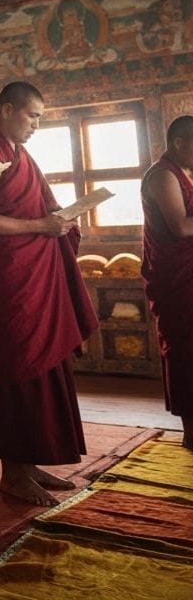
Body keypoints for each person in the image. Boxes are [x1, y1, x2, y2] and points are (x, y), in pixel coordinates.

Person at [0, 82, 97, 505]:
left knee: (42, 365)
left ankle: (29, 461)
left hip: (33, 275)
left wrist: (60, 219)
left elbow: (31, 209)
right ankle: (11, 473)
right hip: (7, 282)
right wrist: (42, 226)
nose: (37, 124)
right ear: (7, 110)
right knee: (15, 365)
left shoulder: (19, 154)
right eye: (32, 115)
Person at [140, 115, 193, 450]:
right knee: (187, 350)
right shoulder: (162, 175)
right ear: (178, 143)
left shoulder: (185, 173)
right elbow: (181, 228)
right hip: (176, 277)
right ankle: (192, 431)